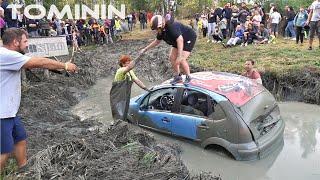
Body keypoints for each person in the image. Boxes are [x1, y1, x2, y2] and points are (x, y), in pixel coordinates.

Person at [0, 28, 78, 171]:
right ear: (15, 42)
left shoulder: (8, 55)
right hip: (2, 114)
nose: (27, 44)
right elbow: (40, 62)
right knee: (4, 150)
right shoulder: (7, 55)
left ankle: (23, 169)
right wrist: (65, 65)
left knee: (20, 139)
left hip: (10, 112)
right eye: (25, 41)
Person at [140, 15, 197, 85]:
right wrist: (145, 49)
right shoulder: (161, 31)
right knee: (172, 57)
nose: (156, 30)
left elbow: (180, 40)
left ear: (162, 25)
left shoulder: (171, 27)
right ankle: (178, 77)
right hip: (177, 40)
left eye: (157, 28)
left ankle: (188, 77)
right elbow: (156, 41)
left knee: (181, 59)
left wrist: (179, 56)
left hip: (188, 38)